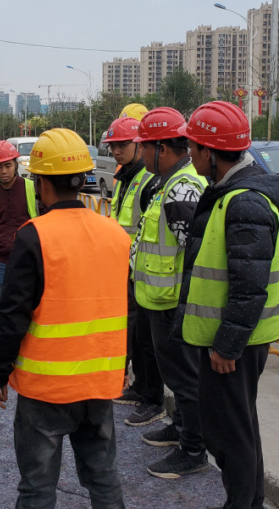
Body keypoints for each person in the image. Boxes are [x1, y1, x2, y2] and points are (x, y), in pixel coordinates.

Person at [0, 128, 130, 508]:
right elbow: (125, 309)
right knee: (103, 477)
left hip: (46, 388)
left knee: (37, 485)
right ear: (82, 179)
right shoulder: (115, 234)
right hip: (98, 383)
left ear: (41, 183)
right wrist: (123, 366)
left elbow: (12, 316)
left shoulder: (34, 236)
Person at [172, 101, 279, 507]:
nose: (189, 154)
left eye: (193, 147)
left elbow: (249, 285)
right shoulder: (231, 193)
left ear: (210, 152)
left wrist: (227, 346)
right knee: (240, 427)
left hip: (237, 342)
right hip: (236, 336)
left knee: (229, 435)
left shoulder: (245, 203)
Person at [131, 107, 208, 478]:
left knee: (184, 378)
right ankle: (180, 429)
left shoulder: (181, 189)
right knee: (176, 376)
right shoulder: (168, 182)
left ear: (161, 148)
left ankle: (193, 450)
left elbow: (196, 254)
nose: (141, 153)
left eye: (144, 147)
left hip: (174, 303)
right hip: (160, 299)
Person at [105, 115, 166, 428]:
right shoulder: (125, 177)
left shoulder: (147, 181)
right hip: (125, 270)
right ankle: (141, 388)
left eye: (123, 145)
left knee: (147, 341)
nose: (116, 151)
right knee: (138, 335)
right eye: (113, 146)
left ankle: (153, 399)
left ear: (139, 146)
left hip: (142, 272)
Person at [0, 140, 39, 296]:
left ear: (16, 165)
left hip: (30, 260)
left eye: (8, 165)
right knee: (6, 304)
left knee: (32, 304)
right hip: (2, 261)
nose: (4, 171)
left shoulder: (32, 189)